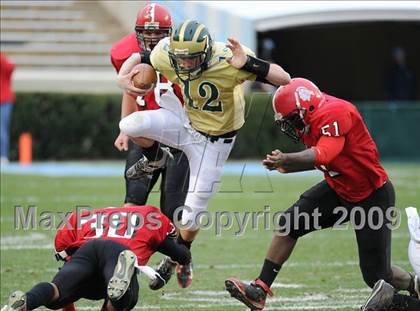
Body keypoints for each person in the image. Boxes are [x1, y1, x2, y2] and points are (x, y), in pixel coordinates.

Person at [116, 20, 291, 288]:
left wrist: (249, 64)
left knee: (191, 214)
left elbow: (283, 78)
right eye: (181, 60)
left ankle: (178, 257)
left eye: (192, 59)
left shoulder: (227, 58)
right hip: (185, 124)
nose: (185, 66)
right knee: (129, 125)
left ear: (207, 52)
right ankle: (155, 159)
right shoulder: (167, 51)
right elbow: (138, 56)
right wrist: (123, 77)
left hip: (214, 142)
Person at [224, 78, 418, 310]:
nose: (292, 126)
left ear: (307, 109)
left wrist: (289, 159)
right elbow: (327, 161)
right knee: (289, 223)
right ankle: (259, 290)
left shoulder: (337, 112)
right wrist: (288, 165)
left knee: (377, 277)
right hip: (339, 188)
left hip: (370, 196)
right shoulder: (311, 118)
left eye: (293, 119)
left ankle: (413, 288)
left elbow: (325, 153)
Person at [110, 3, 190, 290]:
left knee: (172, 214)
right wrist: (124, 126)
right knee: (132, 201)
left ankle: (177, 259)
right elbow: (131, 90)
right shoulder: (124, 52)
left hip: (179, 138)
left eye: (159, 34)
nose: (154, 39)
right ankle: (120, 261)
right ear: (137, 33)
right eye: (147, 34)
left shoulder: (183, 52)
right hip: (146, 136)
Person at [2, 205, 191, 311]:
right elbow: (182, 254)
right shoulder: (151, 216)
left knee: (56, 292)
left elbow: (66, 262)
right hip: (120, 254)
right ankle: (122, 272)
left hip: (88, 248)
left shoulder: (87, 216)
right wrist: (175, 257)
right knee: (123, 299)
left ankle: (27, 299)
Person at [0, 53, 16, 165]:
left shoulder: (3, 62)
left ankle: (3, 156)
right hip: (5, 100)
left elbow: (11, 67)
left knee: (2, 128)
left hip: (4, 100)